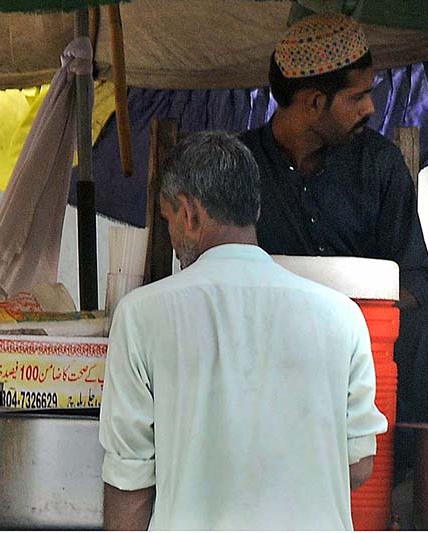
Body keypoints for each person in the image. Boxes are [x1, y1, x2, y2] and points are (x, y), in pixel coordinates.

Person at [98, 131, 387, 530]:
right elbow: (359, 465)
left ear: (189, 213)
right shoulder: (342, 317)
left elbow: (130, 487)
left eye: (168, 220)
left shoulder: (142, 316)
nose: (173, 234)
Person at [238, 13, 428, 470]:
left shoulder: (380, 163)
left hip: (370, 343)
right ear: (313, 102)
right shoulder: (240, 167)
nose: (370, 108)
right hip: (264, 343)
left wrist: (360, 324)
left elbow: (414, 275)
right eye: (358, 97)